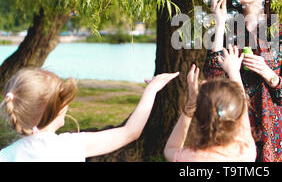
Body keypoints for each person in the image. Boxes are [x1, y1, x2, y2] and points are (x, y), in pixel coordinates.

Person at [203, 0, 282, 162]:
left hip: (271, 134)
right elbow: (212, 75)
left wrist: (269, 73)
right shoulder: (227, 31)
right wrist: (220, 23)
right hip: (232, 127)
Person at [0, 67, 179, 162]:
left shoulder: (5, 155)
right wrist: (152, 89)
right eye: (63, 98)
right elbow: (131, 131)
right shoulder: (70, 145)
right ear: (51, 107)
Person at [164, 46, 256, 162]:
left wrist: (191, 105)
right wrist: (234, 72)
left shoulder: (188, 157)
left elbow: (170, 149)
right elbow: (243, 112)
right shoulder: (245, 152)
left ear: (198, 118)